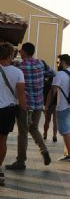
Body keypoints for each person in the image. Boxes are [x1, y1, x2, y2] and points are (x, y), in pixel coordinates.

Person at [6, 42, 51, 171]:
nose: (19, 52)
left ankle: (21, 161)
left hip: (24, 104)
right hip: (38, 104)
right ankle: (44, 149)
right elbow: (52, 73)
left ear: (24, 52)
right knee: (34, 128)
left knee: (23, 133)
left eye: (20, 51)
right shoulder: (41, 63)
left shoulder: (19, 65)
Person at [0, 43, 27, 186]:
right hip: (7, 111)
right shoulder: (17, 73)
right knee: (2, 141)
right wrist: (24, 110)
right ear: (10, 55)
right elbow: (22, 95)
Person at [46, 54, 70, 162]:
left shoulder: (59, 74)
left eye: (59, 61)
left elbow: (53, 91)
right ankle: (67, 152)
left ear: (63, 62)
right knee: (67, 129)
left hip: (64, 106)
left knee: (65, 131)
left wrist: (47, 105)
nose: (58, 63)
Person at [42, 67, 58, 142]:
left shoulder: (45, 83)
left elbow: (46, 95)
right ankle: (54, 136)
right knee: (55, 121)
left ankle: (45, 134)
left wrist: (46, 106)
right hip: (56, 104)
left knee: (47, 121)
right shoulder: (57, 83)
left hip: (48, 104)